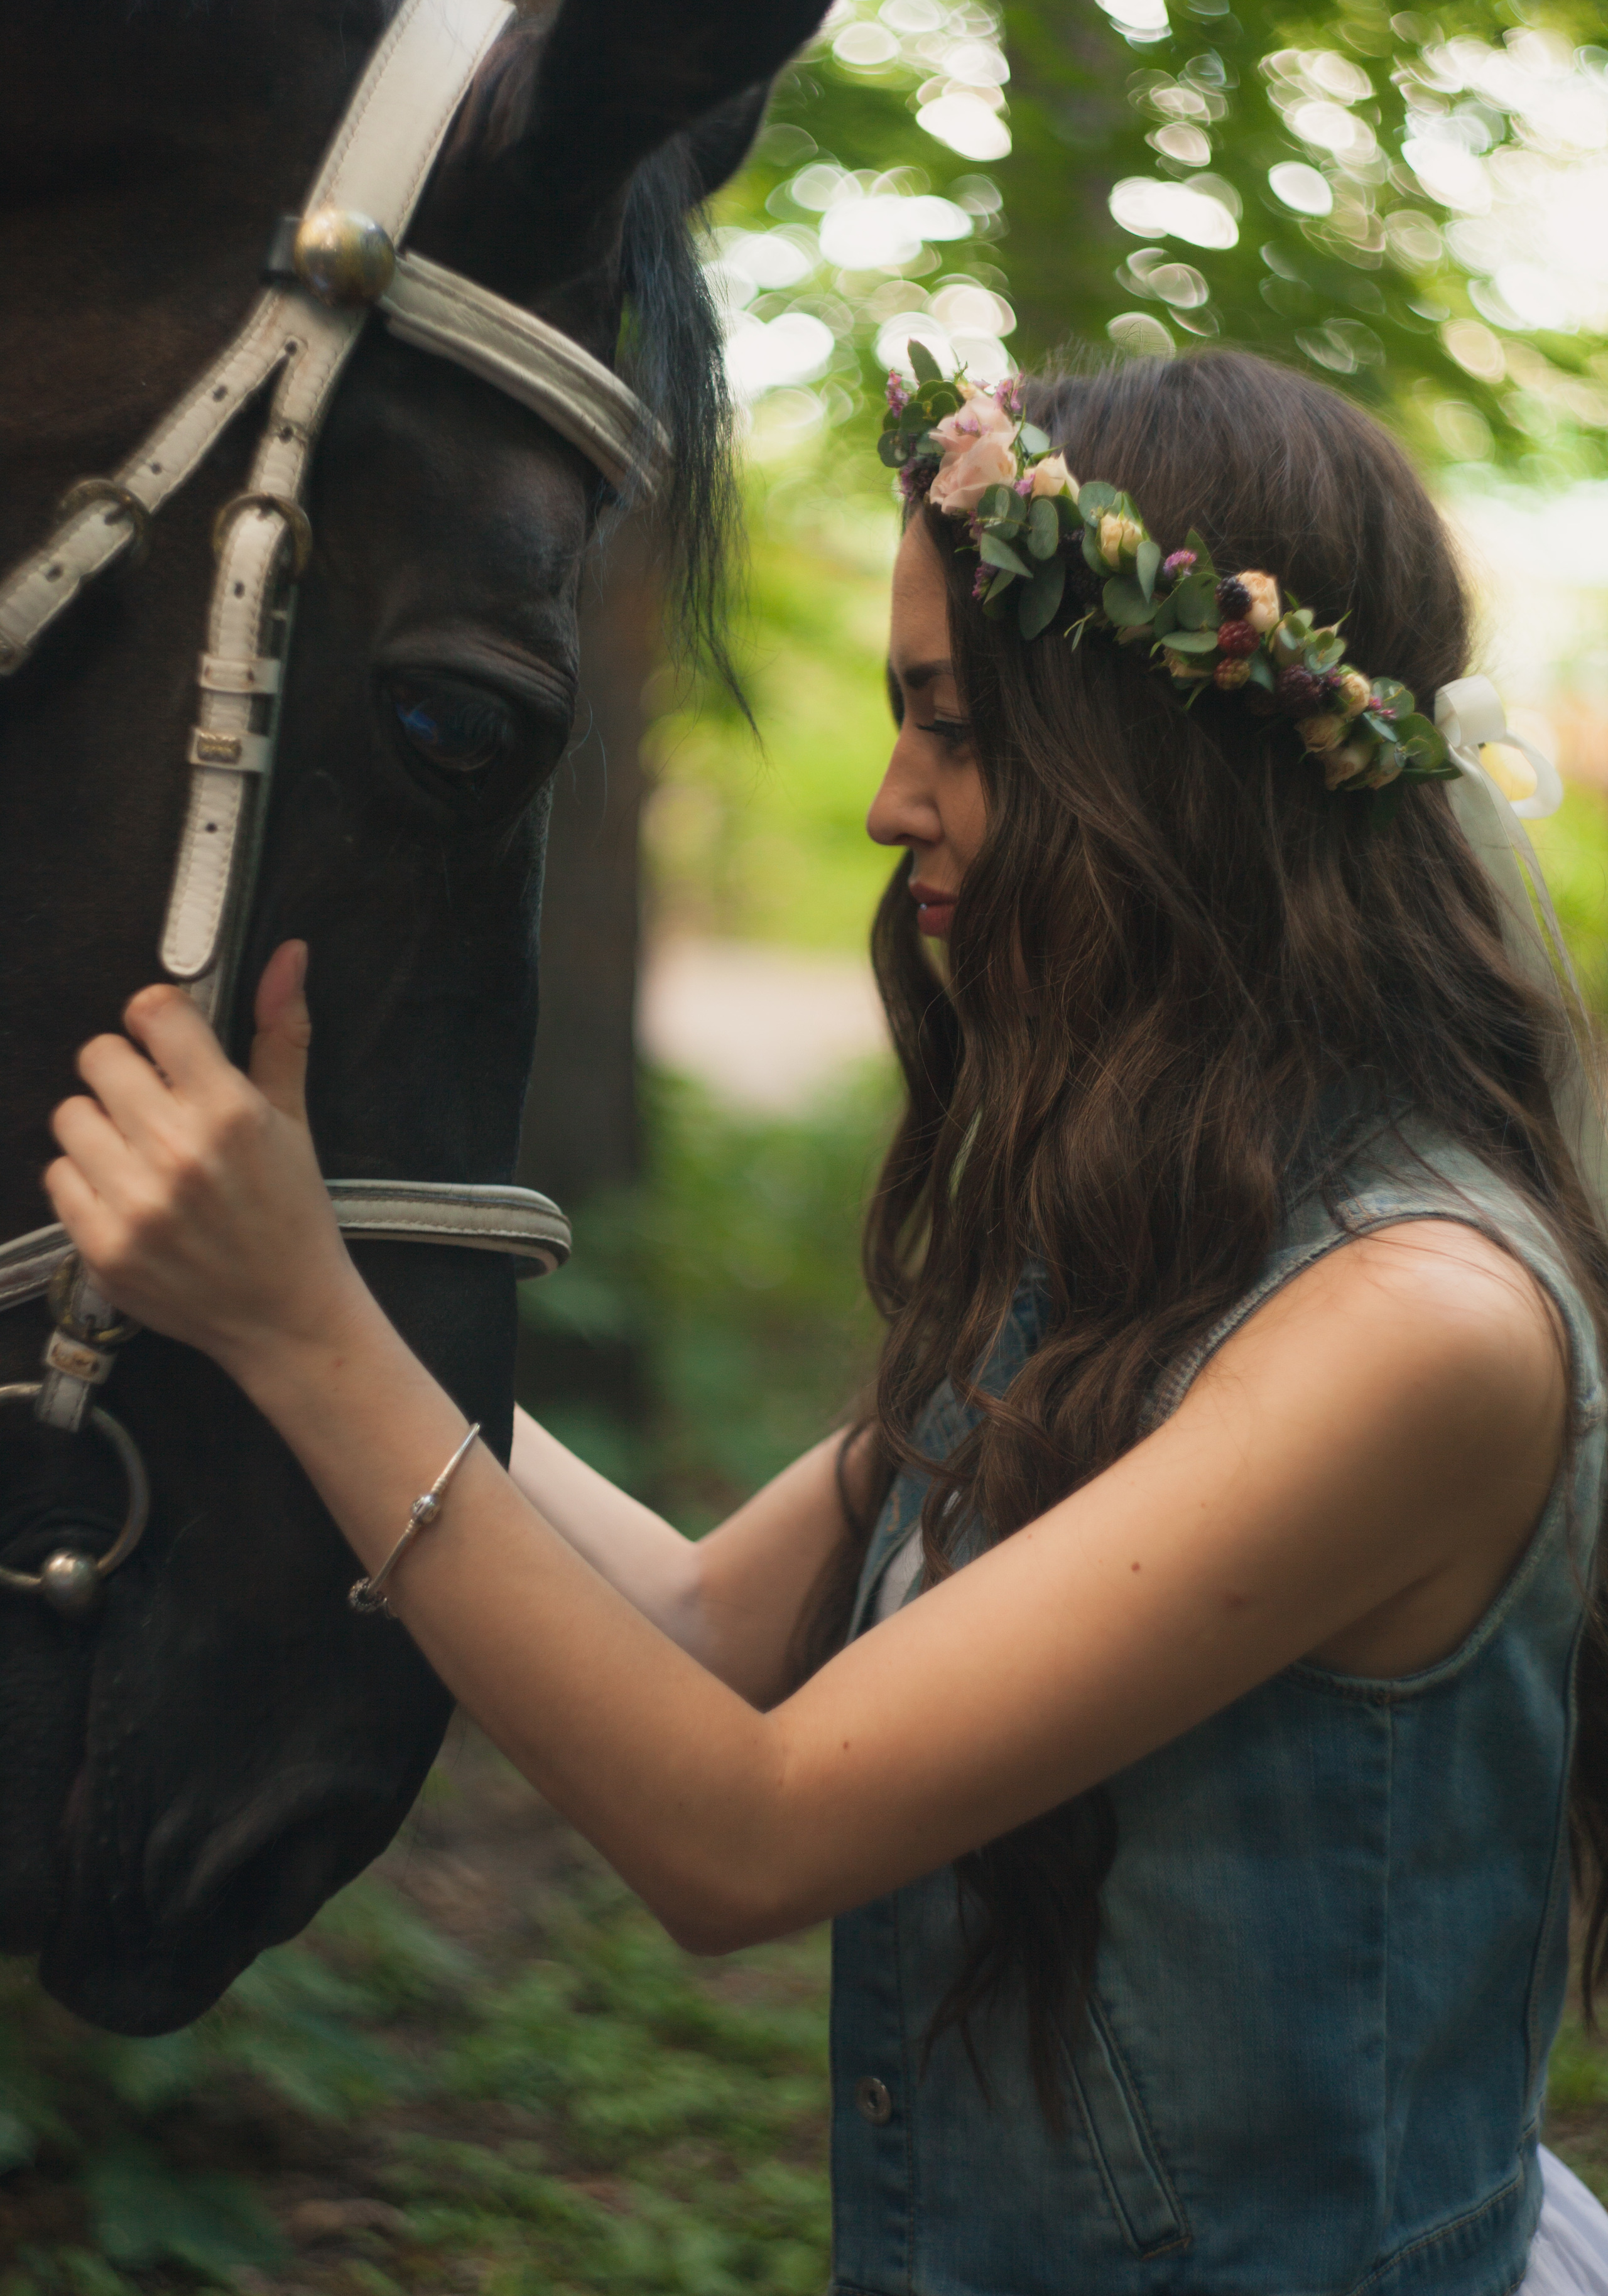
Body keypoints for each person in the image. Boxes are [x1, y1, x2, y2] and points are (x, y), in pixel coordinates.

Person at [44, 347, 1608, 2295]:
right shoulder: (1157, 1237)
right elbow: (708, 1629)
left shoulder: (1416, 1329)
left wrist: (300, 1333)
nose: (886, 803)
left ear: (1153, 756)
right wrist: (304, 1275)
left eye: (950, 728)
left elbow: (748, 1836)